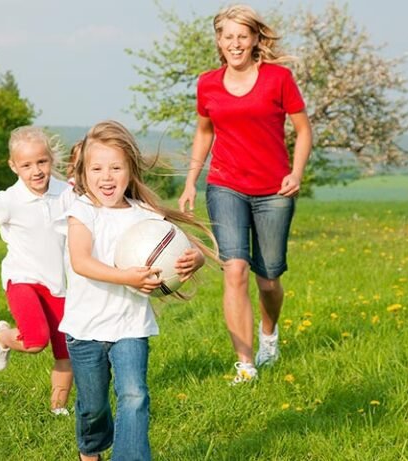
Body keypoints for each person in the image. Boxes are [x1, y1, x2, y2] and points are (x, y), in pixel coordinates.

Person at [61, 120, 216, 461]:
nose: (107, 177)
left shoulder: (144, 214)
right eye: (97, 168)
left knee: (135, 395)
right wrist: (127, 277)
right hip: (85, 328)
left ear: (130, 170)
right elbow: (81, 261)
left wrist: (196, 260)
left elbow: (187, 248)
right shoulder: (81, 210)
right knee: (92, 407)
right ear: (83, 173)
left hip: (130, 326)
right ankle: (91, 449)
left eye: (116, 168)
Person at [178, 4, 313, 384]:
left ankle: (269, 334)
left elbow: (304, 130)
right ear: (219, 41)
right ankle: (246, 364)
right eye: (228, 37)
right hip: (225, 185)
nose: (235, 43)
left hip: (274, 190)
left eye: (242, 36)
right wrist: (191, 181)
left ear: (255, 39)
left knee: (268, 279)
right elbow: (204, 131)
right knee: (234, 269)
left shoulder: (278, 79)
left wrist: (296, 173)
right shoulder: (207, 83)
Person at [0, 126, 75, 415]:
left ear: (51, 160)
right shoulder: (9, 199)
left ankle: (57, 409)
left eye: (42, 162)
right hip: (22, 279)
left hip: (59, 284)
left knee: (66, 352)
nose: (36, 171)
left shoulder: (66, 192)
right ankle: (3, 337)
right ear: (14, 166)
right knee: (35, 341)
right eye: (27, 165)